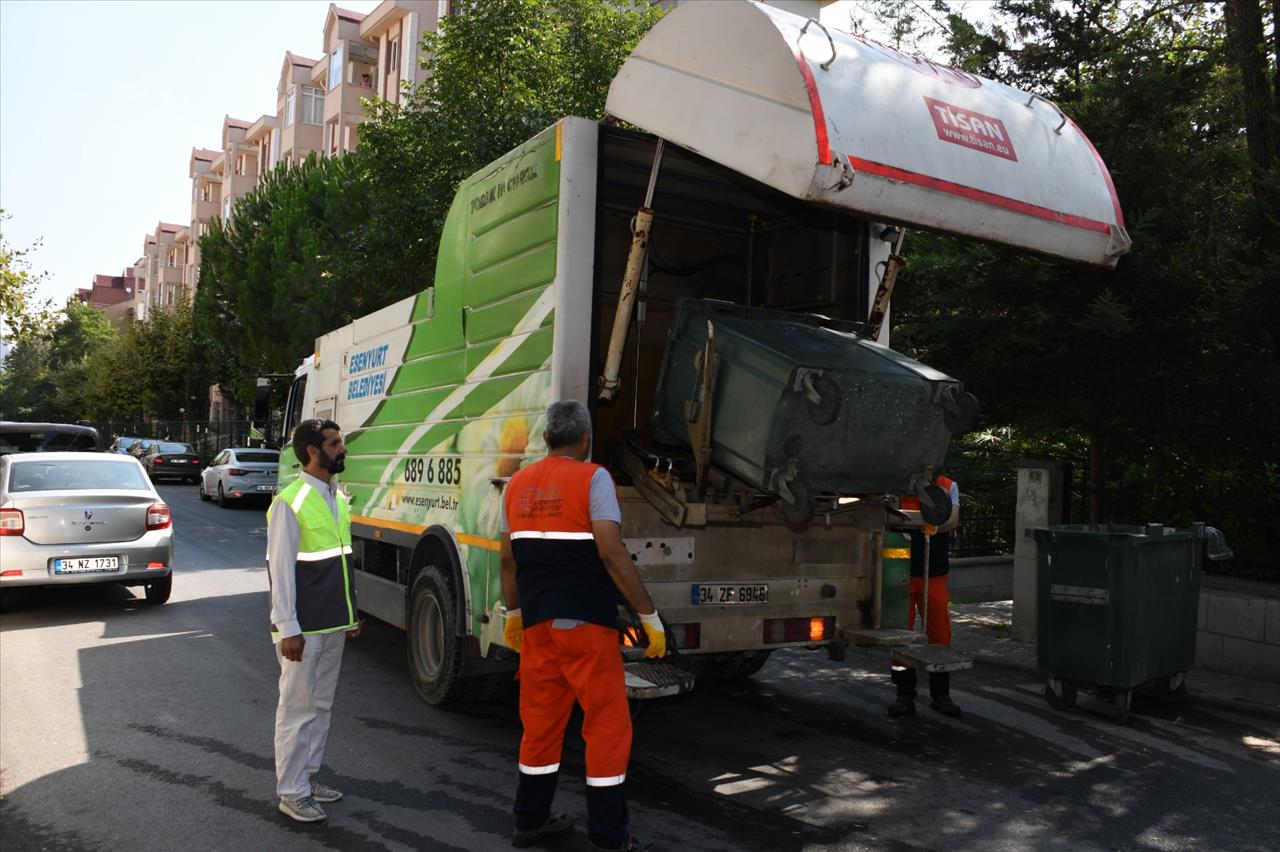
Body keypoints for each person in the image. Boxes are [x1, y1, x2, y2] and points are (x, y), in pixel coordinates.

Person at [499, 400, 665, 852]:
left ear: (548, 438)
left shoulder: (515, 484)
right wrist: (648, 615)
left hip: (538, 627)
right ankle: (610, 837)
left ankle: (528, 823)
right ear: (585, 439)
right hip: (588, 626)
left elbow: (508, 560)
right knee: (608, 727)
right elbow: (611, 553)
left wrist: (515, 616)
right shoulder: (594, 479)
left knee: (541, 726)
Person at [267, 418, 361, 822]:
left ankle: (308, 777)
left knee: (320, 707)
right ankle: (291, 791)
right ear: (312, 451)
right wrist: (287, 628)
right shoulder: (291, 501)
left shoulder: (337, 498)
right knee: (296, 710)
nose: (342, 449)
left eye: (340, 442)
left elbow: (342, 563)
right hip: (303, 630)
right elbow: (281, 570)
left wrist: (351, 615)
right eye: (335, 443)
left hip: (333, 623)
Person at [889, 473, 962, 718]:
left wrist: (930, 527)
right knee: (901, 636)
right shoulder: (896, 483)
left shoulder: (948, 485)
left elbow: (953, 520)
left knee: (940, 634)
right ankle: (904, 695)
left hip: (934, 571)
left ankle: (941, 695)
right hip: (902, 570)